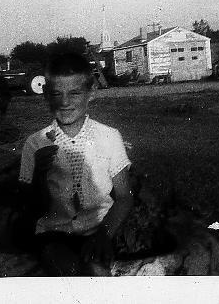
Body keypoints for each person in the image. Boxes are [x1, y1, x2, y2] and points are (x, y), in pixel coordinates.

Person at [18, 52, 134, 276]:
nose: (64, 102)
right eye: (56, 94)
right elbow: (29, 208)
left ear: (91, 92)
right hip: (54, 235)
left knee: (97, 271)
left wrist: (104, 235)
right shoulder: (35, 143)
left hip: (100, 229)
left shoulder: (109, 136)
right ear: (45, 95)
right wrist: (40, 177)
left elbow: (124, 196)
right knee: (65, 268)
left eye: (74, 93)